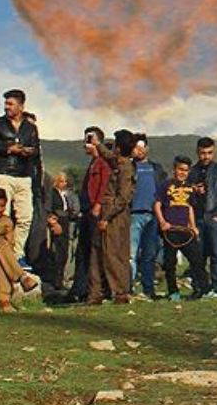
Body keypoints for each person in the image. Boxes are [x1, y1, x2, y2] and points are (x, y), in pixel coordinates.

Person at [0, 89, 40, 260]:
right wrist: (8, 149)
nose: (6, 107)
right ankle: (0, 253)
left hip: (24, 176)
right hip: (2, 173)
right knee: (1, 216)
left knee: (25, 217)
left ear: (21, 106)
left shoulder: (30, 128)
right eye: (5, 103)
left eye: (10, 104)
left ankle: (17, 254)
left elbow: (37, 151)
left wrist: (29, 152)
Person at [88, 130, 137, 305]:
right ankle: (97, 293)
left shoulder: (125, 168)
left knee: (113, 253)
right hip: (111, 213)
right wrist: (97, 144)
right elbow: (109, 155)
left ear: (119, 147)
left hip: (114, 215)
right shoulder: (120, 161)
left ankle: (120, 293)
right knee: (99, 252)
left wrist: (106, 218)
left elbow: (122, 198)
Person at [0, 188, 39, 311]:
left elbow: (10, 244)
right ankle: (22, 277)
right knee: (0, 247)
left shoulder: (7, 221)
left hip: (2, 254)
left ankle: (3, 301)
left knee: (0, 262)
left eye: (2, 206)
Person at [70, 127, 110, 303]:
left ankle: (97, 289)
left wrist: (98, 204)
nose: (85, 144)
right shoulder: (93, 163)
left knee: (94, 250)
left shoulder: (103, 162)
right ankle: (80, 289)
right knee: (84, 251)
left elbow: (104, 184)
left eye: (88, 140)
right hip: (87, 211)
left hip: (94, 210)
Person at [156, 157, 204, 301]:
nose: (183, 173)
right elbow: (157, 204)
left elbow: (190, 208)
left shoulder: (190, 187)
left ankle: (199, 289)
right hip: (170, 231)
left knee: (196, 260)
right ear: (174, 169)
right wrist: (162, 222)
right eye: (180, 169)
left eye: (186, 170)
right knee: (170, 263)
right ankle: (173, 292)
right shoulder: (166, 185)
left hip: (185, 231)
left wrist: (193, 227)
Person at [188, 137, 217, 298]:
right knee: (198, 255)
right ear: (197, 152)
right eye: (203, 153)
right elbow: (185, 196)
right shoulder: (192, 172)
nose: (206, 156)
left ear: (214, 152)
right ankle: (199, 288)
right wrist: (193, 191)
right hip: (197, 218)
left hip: (214, 217)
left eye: (209, 153)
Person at [129, 134, 167, 299]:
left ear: (147, 148)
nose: (139, 150)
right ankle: (128, 288)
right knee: (131, 254)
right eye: (136, 147)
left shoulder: (156, 168)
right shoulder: (129, 167)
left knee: (150, 254)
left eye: (141, 147)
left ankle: (148, 288)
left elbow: (164, 190)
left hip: (153, 216)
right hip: (133, 215)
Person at [45, 172, 79, 291]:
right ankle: (55, 281)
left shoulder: (64, 194)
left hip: (66, 221)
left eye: (65, 181)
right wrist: (54, 223)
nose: (64, 184)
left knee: (64, 252)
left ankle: (60, 280)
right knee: (57, 252)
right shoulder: (52, 193)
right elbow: (49, 208)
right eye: (61, 181)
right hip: (58, 221)